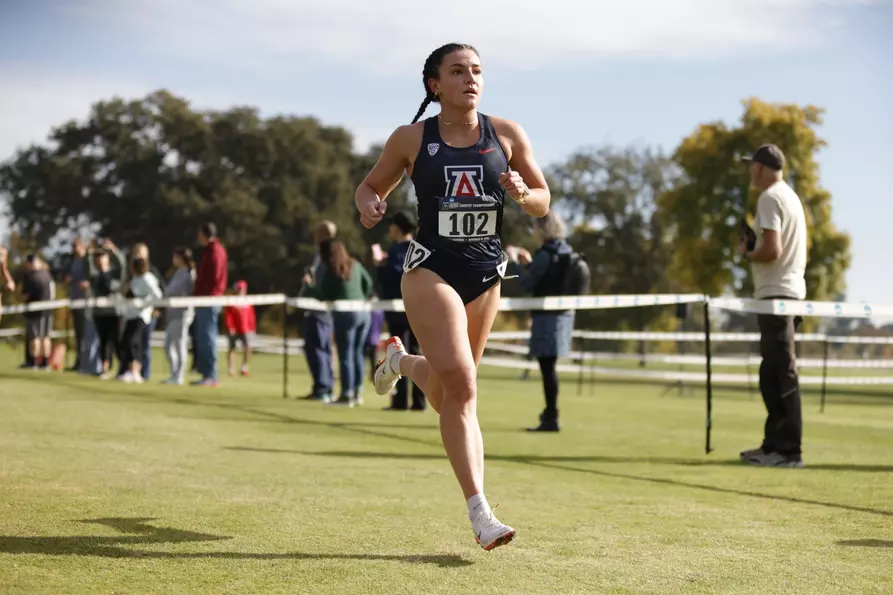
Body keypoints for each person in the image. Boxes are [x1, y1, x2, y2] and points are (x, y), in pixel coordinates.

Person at [355, 42, 550, 550]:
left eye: (478, 71)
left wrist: (524, 195)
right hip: (429, 270)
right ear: (434, 84)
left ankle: (401, 364)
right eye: (458, 70)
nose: (471, 78)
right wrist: (370, 203)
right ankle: (481, 512)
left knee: (448, 394)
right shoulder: (411, 138)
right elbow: (369, 187)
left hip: (486, 274)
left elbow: (541, 200)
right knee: (463, 387)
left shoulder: (505, 134)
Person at [737, 144, 807, 468]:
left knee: (780, 373)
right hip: (789, 294)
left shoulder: (769, 198)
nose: (751, 171)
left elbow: (772, 251)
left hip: (777, 296)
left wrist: (747, 253)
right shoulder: (789, 196)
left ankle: (788, 450)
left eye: (753, 166)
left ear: (761, 168)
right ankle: (773, 445)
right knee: (773, 372)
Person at [516, 211, 576, 432]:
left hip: (545, 318)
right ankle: (550, 414)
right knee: (550, 368)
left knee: (547, 368)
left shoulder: (545, 254)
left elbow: (526, 285)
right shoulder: (566, 250)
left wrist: (513, 265)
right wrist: (530, 264)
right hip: (565, 316)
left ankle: (551, 416)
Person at [303, 239, 374, 407]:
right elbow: (368, 284)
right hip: (364, 312)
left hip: (345, 314)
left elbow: (322, 295)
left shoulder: (331, 270)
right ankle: (357, 393)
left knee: (346, 354)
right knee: (357, 354)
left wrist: (309, 286)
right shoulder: (355, 264)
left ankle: (346, 394)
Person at [374, 210, 426, 411]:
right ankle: (420, 401)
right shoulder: (420, 247)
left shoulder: (397, 251)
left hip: (399, 313)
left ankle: (401, 401)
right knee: (418, 353)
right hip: (420, 309)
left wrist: (380, 266)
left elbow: (394, 280)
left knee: (399, 355)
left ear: (397, 228)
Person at [300, 221, 338, 402]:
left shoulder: (325, 257)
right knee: (320, 349)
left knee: (319, 349)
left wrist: (309, 285)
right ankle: (322, 386)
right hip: (319, 311)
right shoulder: (323, 256)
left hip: (320, 311)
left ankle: (323, 388)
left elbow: (322, 289)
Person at [193, 222, 228, 387]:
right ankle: (207, 373)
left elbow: (214, 278)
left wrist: (203, 295)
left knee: (208, 337)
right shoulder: (209, 251)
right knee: (203, 337)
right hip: (204, 299)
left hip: (209, 299)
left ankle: (211, 375)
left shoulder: (215, 251)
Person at [86, 240, 127, 380]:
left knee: (118, 341)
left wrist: (113, 251)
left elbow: (122, 265)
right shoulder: (94, 276)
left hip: (116, 312)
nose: (99, 260)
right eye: (97, 257)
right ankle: (105, 368)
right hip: (100, 313)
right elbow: (87, 267)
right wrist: (88, 253)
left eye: (102, 256)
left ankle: (123, 369)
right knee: (103, 342)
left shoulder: (114, 273)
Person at [119, 257, 163, 383]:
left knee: (134, 342)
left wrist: (144, 303)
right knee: (125, 342)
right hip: (131, 314)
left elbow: (157, 295)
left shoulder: (147, 278)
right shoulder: (134, 278)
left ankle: (135, 371)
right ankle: (130, 370)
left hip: (141, 315)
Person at [163, 247, 196, 385]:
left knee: (179, 344)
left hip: (183, 313)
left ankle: (179, 376)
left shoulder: (190, 273)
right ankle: (174, 373)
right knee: (168, 345)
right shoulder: (177, 273)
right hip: (172, 313)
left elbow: (188, 292)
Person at [20, 254, 55, 370]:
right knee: (45, 336)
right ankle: (45, 362)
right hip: (49, 310)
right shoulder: (47, 275)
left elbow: (25, 296)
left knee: (34, 336)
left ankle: (33, 362)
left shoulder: (30, 277)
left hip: (35, 311)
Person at [65, 238, 89, 371]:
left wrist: (86, 283)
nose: (73, 249)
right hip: (74, 300)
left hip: (85, 301)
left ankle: (86, 361)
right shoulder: (72, 261)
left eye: (75, 246)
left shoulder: (87, 261)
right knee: (78, 334)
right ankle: (78, 361)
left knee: (85, 333)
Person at [224, 280, 256, 377]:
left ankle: (244, 368)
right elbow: (228, 315)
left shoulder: (248, 301)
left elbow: (251, 316)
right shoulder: (231, 300)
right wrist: (230, 327)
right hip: (234, 329)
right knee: (232, 348)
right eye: (239, 288)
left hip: (246, 329)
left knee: (248, 347)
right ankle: (231, 369)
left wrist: (252, 327)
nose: (240, 290)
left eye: (242, 288)